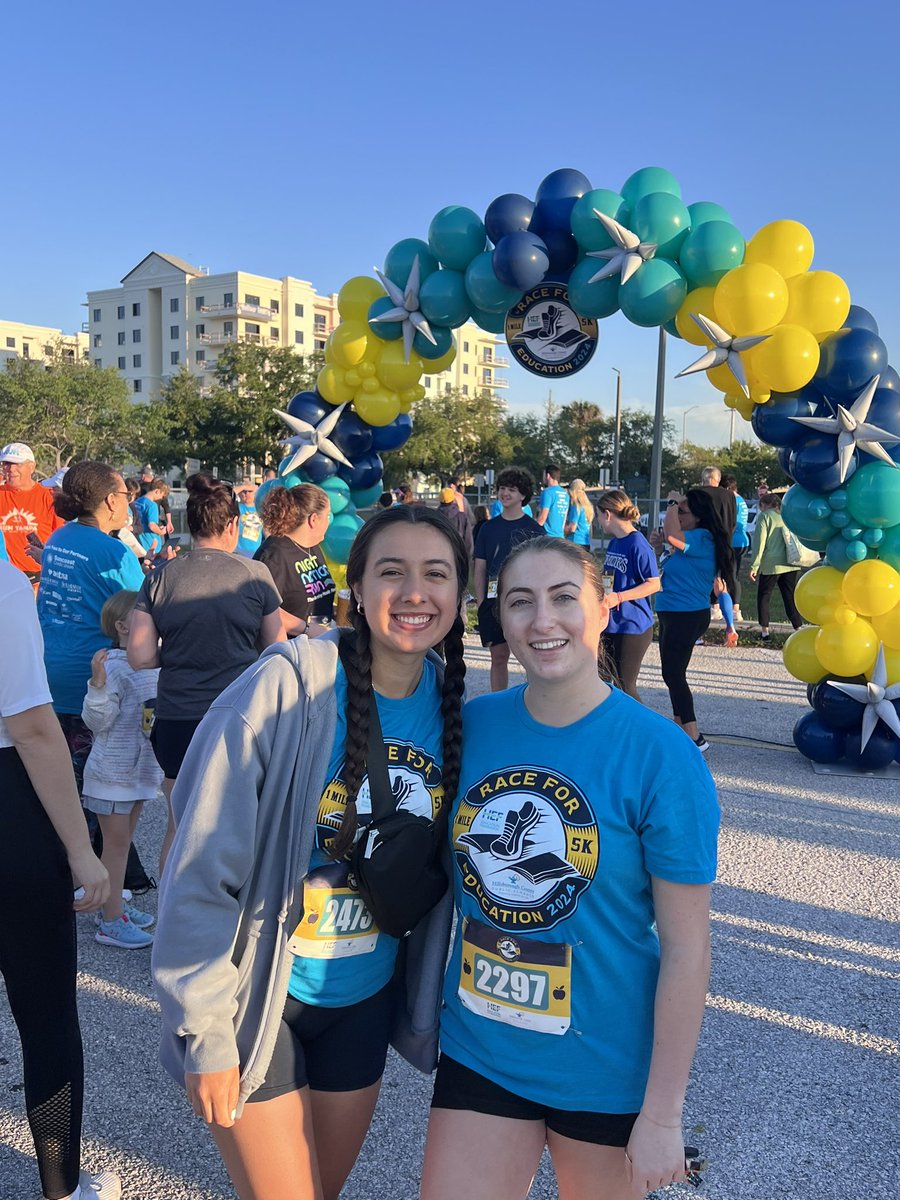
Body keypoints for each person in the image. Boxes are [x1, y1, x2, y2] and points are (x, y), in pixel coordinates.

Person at [151, 506, 469, 1200]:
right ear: (354, 587)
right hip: (260, 998)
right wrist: (202, 1030)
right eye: (392, 572)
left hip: (363, 1000)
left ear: (459, 593)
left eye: (435, 574)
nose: (414, 592)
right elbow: (201, 865)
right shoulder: (287, 687)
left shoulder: (457, 704)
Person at [420, 537, 718, 1200]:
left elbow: (687, 947)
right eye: (520, 602)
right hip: (482, 1049)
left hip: (605, 1067)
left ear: (603, 610)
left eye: (563, 599)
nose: (541, 621)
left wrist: (664, 1114)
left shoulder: (662, 756)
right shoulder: (471, 726)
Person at [0, 558, 121, 1200]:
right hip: (11, 816)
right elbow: (32, 726)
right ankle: (61, 1188)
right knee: (45, 1017)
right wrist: (82, 848)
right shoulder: (3, 581)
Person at [128, 473, 284, 875]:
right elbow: (277, 648)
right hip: (240, 717)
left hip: (177, 716)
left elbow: (140, 656)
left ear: (190, 525)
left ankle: (171, 921)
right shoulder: (254, 575)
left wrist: (181, 652)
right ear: (232, 525)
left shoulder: (160, 577)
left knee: (179, 826)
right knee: (237, 824)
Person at [37, 461, 146, 793]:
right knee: (96, 796)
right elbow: (146, 608)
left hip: (51, 674)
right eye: (126, 494)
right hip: (92, 682)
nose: (129, 501)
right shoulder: (113, 552)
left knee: (58, 789)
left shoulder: (58, 537)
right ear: (111, 501)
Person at [82, 590, 162, 950]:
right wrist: (97, 683)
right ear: (123, 626)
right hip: (111, 776)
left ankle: (110, 907)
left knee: (121, 843)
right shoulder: (112, 665)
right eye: (143, 615)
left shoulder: (152, 663)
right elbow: (96, 722)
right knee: (115, 847)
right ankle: (111, 921)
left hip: (140, 773)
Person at [651, 489, 736, 752]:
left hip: (686, 615)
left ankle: (694, 735)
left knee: (674, 675)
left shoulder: (703, 537)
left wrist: (673, 502)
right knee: (671, 674)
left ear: (698, 517)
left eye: (682, 512)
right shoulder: (688, 542)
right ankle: (681, 728)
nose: (676, 515)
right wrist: (657, 548)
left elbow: (674, 535)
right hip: (672, 612)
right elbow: (663, 567)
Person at [473, 467, 545, 692]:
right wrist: (480, 600)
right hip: (493, 600)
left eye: (511, 489)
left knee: (530, 655)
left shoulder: (534, 530)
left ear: (523, 495)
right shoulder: (487, 528)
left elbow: (541, 570)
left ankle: (535, 698)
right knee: (498, 656)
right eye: (502, 488)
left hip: (524, 601)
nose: (505, 493)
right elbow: (480, 566)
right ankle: (499, 700)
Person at [597, 490, 661, 702]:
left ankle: (642, 730)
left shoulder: (638, 544)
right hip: (611, 622)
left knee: (625, 686)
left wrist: (620, 597)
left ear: (607, 514)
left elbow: (653, 584)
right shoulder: (616, 542)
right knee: (603, 681)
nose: (597, 521)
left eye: (598, 516)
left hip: (633, 625)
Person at [254, 483, 336, 636]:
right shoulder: (274, 554)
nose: (329, 522)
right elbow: (265, 609)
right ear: (314, 519)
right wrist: (307, 629)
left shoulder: (313, 546)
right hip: (290, 651)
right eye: (328, 516)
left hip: (319, 645)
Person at [0, 442, 64, 581]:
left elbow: (61, 539)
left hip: (39, 578)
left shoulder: (49, 497)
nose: (11, 469)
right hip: (5, 578)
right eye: (6, 464)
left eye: (18, 464)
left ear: (32, 467)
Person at [748, 493, 803, 639]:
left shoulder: (765, 517)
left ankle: (765, 631)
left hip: (771, 564)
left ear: (764, 505)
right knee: (789, 596)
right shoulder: (788, 516)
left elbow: (760, 543)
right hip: (790, 562)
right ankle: (798, 627)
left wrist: (754, 566)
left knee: (764, 596)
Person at [722, 474, 749, 623]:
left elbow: (730, 522)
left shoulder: (732, 500)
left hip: (733, 541)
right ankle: (734, 608)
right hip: (741, 541)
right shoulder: (741, 500)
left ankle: (735, 609)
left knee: (732, 575)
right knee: (733, 574)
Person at [437, 486, 474, 561]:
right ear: (453, 499)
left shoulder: (434, 516)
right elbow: (468, 540)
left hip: (439, 556)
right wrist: (467, 558)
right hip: (458, 556)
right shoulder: (462, 517)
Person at [134, 478, 167, 558]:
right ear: (157, 491)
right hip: (151, 545)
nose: (160, 499)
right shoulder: (152, 505)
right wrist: (161, 532)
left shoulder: (137, 501)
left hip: (138, 543)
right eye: (162, 496)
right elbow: (152, 525)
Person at [535, 464, 569, 538]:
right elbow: (564, 519)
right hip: (560, 536)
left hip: (548, 537)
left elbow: (542, 518)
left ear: (547, 475)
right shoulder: (565, 494)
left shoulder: (547, 492)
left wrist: (532, 529)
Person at [235, 482, 264, 558]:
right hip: (239, 551)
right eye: (244, 492)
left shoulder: (261, 508)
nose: (247, 494)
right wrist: (243, 486)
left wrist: (256, 488)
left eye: (250, 491)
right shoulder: (237, 507)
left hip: (256, 552)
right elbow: (228, 495)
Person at [564, 478, 594, 547]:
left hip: (575, 542)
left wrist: (562, 529)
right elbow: (590, 529)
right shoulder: (588, 507)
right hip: (586, 542)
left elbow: (572, 528)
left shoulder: (576, 506)